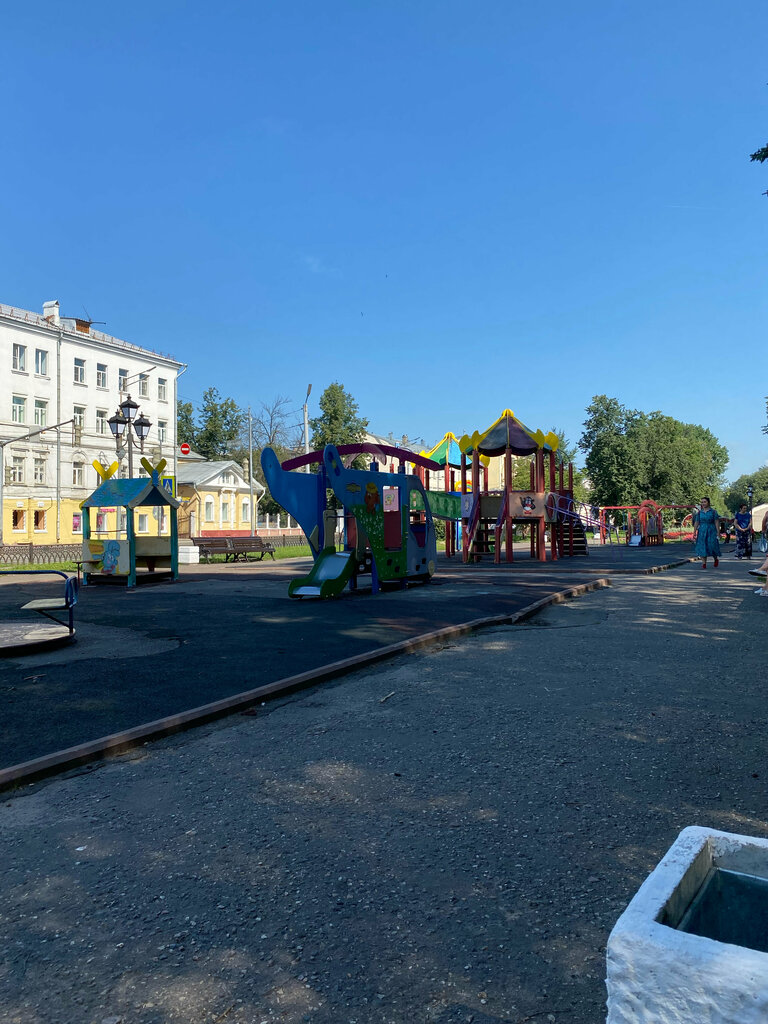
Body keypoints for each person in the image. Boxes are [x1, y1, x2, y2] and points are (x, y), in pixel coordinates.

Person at [693, 496, 720, 569]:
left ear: (708, 502)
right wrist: (694, 532)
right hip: (702, 530)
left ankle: (715, 559)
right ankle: (704, 563)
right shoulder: (699, 513)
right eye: (702, 502)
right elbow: (696, 522)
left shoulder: (713, 512)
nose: (703, 503)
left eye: (704, 502)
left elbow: (716, 522)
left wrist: (718, 532)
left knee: (712, 546)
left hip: (711, 530)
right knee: (702, 546)